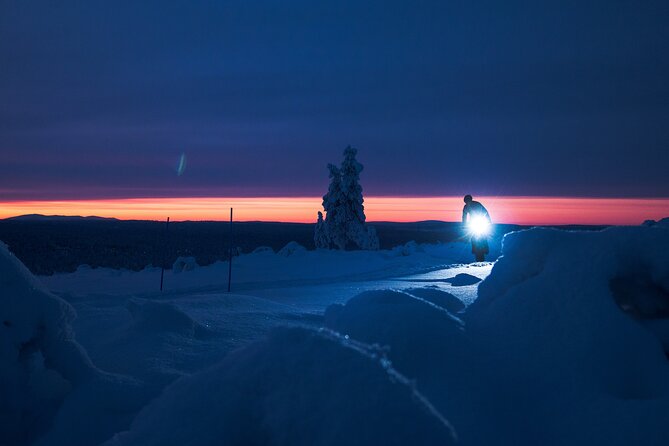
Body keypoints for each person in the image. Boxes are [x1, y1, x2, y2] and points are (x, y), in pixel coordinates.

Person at [462, 195, 491, 262]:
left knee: (483, 236)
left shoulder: (477, 204)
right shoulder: (466, 207)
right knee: (473, 238)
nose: (467, 203)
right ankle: (475, 251)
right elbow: (464, 216)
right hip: (473, 223)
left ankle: (485, 249)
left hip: (481, 222)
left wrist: (488, 221)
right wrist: (464, 225)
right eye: (466, 202)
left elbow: (485, 212)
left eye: (467, 201)